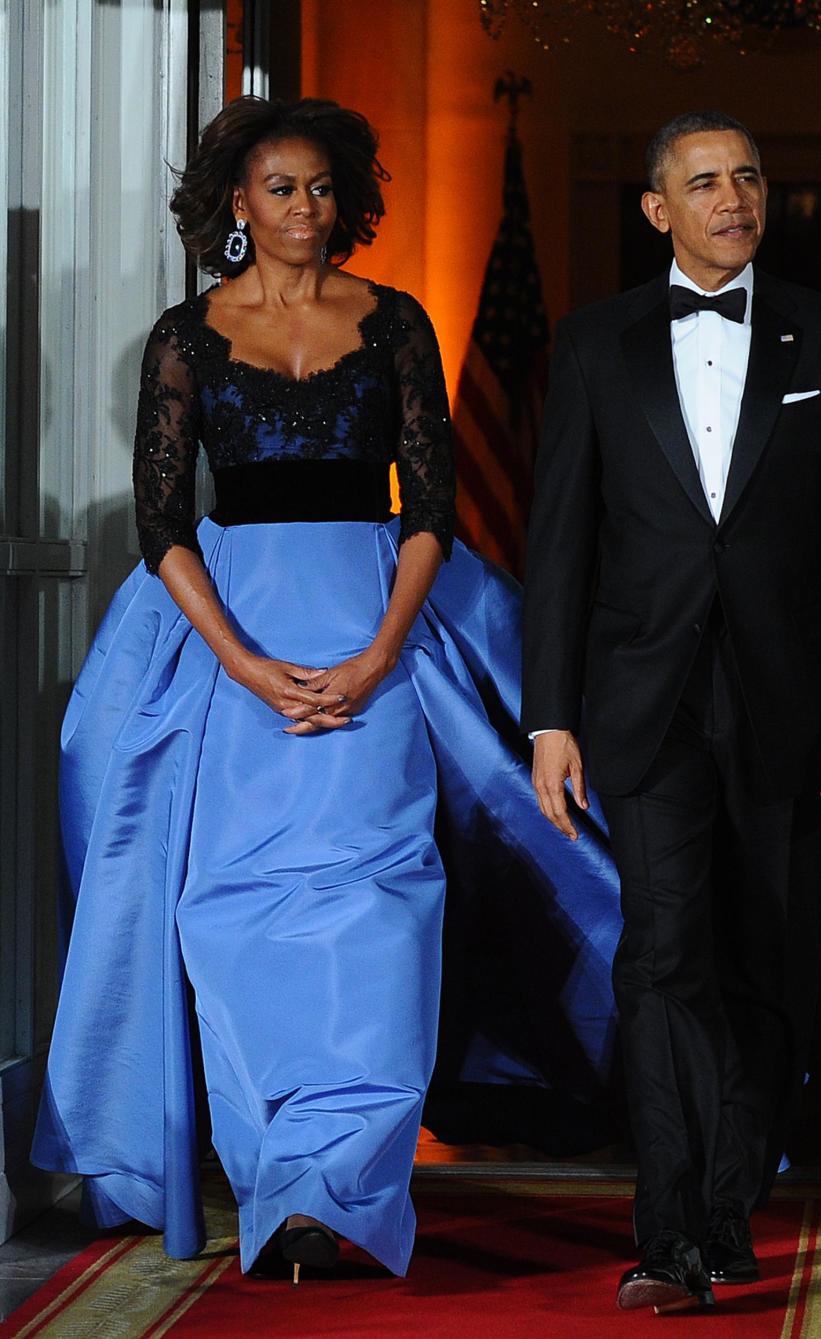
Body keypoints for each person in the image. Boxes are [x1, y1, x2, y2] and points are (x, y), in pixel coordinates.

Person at [33, 96, 623, 1283]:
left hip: (376, 630)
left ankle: (349, 1185)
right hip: (228, 642)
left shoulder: (396, 323)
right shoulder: (184, 337)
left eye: (320, 187)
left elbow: (436, 509)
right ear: (234, 206)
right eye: (279, 189)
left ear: (346, 197)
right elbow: (161, 525)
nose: (304, 209)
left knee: (378, 910)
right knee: (239, 921)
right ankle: (282, 1193)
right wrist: (244, 664)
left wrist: (377, 653)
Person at [522, 110, 821, 1314]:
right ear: (656, 209)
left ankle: (730, 1212)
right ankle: (670, 1226)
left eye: (748, 176)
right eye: (705, 181)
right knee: (665, 953)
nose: (733, 196)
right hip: (643, 705)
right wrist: (550, 717)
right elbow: (560, 543)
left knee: (768, 963)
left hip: (791, 709)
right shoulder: (593, 345)